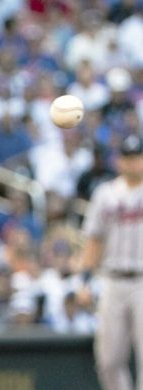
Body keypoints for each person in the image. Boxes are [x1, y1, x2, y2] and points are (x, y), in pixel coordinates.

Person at [80, 134, 143, 390]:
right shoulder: (105, 194)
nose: (131, 163)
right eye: (126, 158)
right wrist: (84, 280)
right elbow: (94, 240)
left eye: (136, 157)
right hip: (113, 280)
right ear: (119, 161)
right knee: (108, 360)